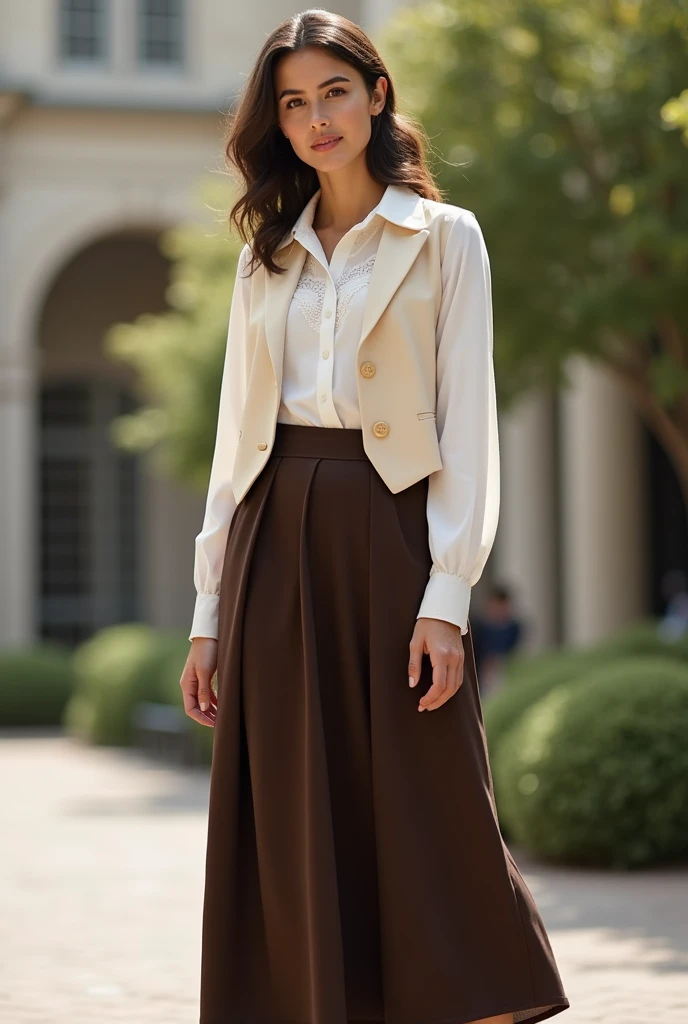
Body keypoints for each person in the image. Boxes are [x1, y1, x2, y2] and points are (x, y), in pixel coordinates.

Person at [179, 10, 570, 1024]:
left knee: (427, 793)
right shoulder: (262, 254)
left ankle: (476, 998)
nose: (316, 120)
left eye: (334, 93)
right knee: (297, 808)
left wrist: (447, 596)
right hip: (275, 540)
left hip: (391, 531)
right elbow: (235, 441)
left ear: (376, 94)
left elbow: (467, 427)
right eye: (294, 103)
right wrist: (208, 612)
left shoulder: (446, 239)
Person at [472, 584, 524, 700]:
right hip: (481, 670)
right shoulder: (478, 626)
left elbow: (514, 649)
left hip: (505, 669)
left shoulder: (514, 627)